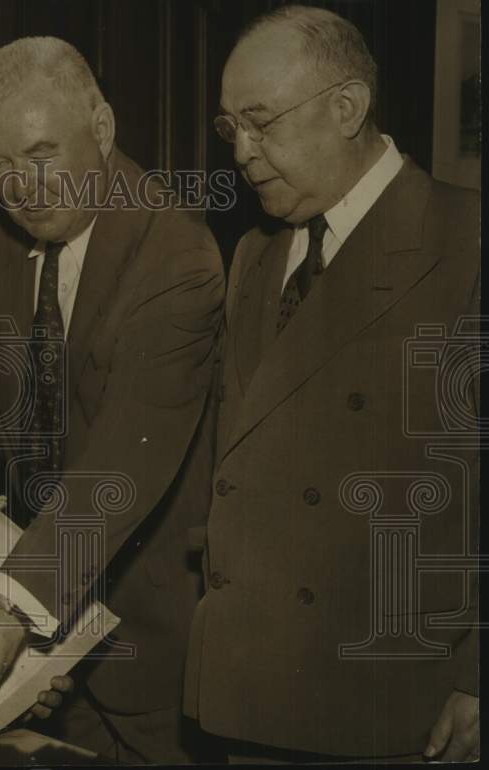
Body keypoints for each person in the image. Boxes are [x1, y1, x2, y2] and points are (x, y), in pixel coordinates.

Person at [0, 37, 225, 764]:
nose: (22, 189)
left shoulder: (178, 254)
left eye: (41, 154)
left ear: (102, 128)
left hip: (144, 643)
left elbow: (118, 470)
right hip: (38, 643)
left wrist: (7, 612)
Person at [183, 6, 480, 763]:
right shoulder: (254, 255)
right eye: (230, 128)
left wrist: (478, 676)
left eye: (260, 123)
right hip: (249, 695)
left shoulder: (464, 241)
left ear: (347, 108)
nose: (241, 152)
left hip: (390, 704)